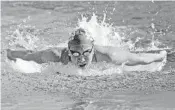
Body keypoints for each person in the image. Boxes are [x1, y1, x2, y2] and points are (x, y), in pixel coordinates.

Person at [7, 28, 167, 68]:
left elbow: (141, 59)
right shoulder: (54, 55)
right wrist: (8, 52)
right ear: (68, 51)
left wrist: (161, 54)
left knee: (136, 57)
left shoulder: (109, 55)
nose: (81, 58)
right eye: (75, 53)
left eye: (86, 53)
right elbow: (27, 55)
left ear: (93, 50)